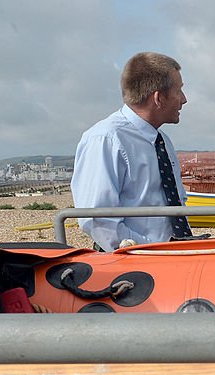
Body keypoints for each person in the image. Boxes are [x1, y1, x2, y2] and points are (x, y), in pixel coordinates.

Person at [72, 52, 195, 251]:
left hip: (172, 258)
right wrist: (152, 252)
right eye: (178, 91)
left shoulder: (162, 141)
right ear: (158, 97)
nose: (184, 99)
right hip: (134, 266)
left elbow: (176, 204)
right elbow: (98, 221)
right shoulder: (106, 139)